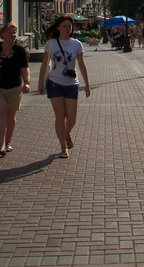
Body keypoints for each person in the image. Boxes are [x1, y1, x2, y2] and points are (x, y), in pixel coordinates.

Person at [37, 14, 91, 159]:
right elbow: (44, 64)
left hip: (71, 84)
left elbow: (81, 64)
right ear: (58, 27)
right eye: (64, 26)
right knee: (60, 116)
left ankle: (66, 134)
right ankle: (63, 147)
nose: (68, 28)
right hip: (54, 83)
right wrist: (41, 82)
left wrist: (87, 84)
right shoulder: (51, 43)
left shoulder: (77, 44)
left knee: (72, 118)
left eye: (69, 26)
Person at [0, 23, 30, 157]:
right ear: (2, 34)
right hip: (0, 87)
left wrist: (27, 82)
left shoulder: (19, 51)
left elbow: (24, 68)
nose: (13, 35)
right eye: (10, 32)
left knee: (11, 115)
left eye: (14, 32)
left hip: (14, 87)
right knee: (1, 113)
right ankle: (1, 144)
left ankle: (8, 142)